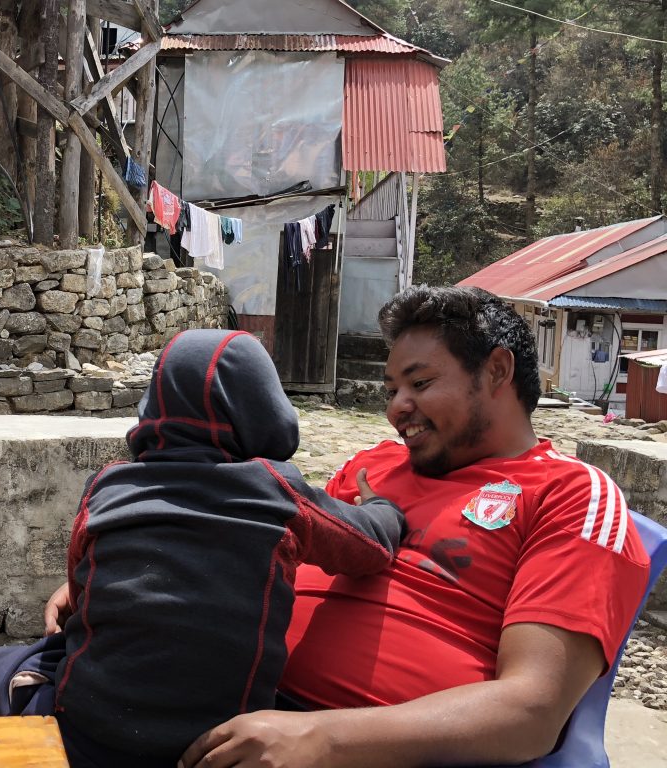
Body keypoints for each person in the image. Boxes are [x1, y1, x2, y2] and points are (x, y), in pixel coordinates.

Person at [174, 286, 651, 768]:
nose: (396, 407)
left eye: (419, 384)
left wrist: (321, 738)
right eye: (391, 390)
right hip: (234, 708)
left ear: (497, 371)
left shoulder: (570, 493)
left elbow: (533, 710)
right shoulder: (373, 467)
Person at [0, 328, 406, 767]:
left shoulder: (108, 488)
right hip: (220, 746)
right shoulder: (278, 493)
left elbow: (79, 587)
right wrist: (384, 506)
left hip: (89, 739)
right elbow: (370, 546)